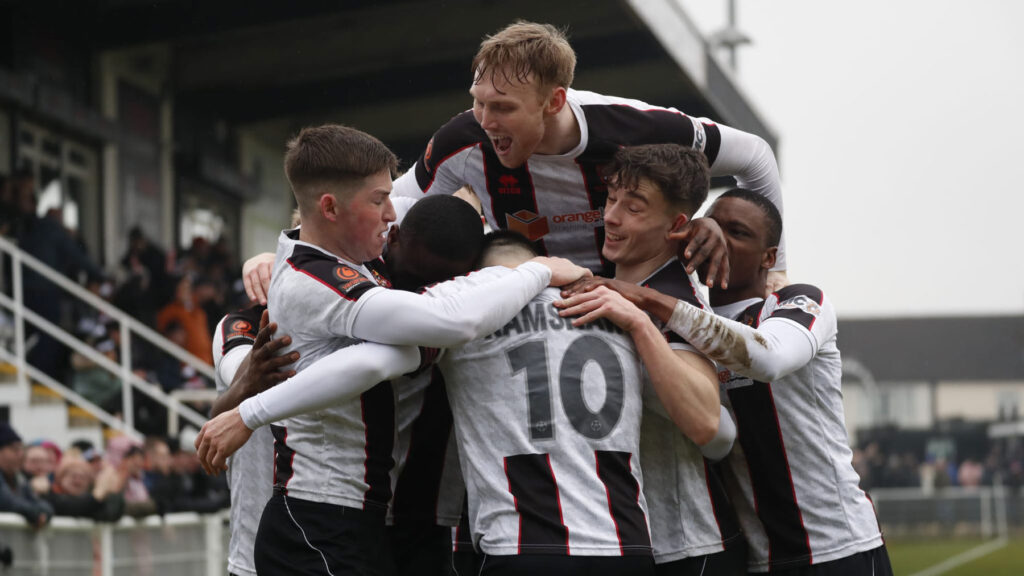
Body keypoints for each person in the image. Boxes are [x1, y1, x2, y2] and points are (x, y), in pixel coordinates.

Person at [205, 124, 586, 576]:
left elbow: (387, 357)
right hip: (314, 512)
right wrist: (537, 271)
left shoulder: (377, 254)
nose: (391, 214)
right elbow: (447, 322)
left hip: (378, 516)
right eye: (379, 201)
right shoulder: (311, 286)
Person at [562, 189, 892, 575]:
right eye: (713, 229)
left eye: (738, 233)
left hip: (837, 546)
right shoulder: (683, 325)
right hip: (756, 557)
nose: (719, 243)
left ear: (769, 257)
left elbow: (768, 358)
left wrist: (644, 299)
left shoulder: (797, 302)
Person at [390, 20, 787, 291]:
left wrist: (775, 270)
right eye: (479, 103)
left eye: (504, 108)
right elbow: (396, 206)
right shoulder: (461, 141)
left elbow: (755, 156)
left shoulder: (638, 129)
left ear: (554, 100)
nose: (486, 121)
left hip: (646, 302)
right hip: (538, 307)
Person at [554, 144, 745, 575]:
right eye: (611, 199)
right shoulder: (607, 276)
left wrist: (639, 325)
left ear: (677, 225)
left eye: (633, 208)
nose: (612, 217)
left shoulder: (679, 304)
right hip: (625, 539)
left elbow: (708, 425)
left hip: (688, 546)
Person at [0, 422, 52, 527]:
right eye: (15, 449)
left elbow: (43, 504)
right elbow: (7, 502)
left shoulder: (20, 478)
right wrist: (34, 513)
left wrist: (43, 513)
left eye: (21, 449)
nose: (21, 454)